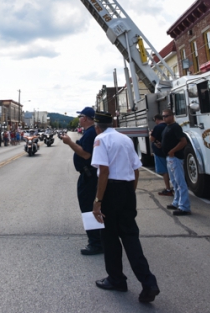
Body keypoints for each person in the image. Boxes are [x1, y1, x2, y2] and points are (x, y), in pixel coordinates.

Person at [90, 111, 160, 304]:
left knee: (110, 238)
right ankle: (148, 281)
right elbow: (135, 169)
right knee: (130, 238)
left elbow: (103, 171)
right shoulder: (125, 139)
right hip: (127, 190)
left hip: (110, 192)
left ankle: (117, 279)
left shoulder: (100, 139)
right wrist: (130, 192)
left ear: (97, 126)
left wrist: (98, 200)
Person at [60, 106, 103, 255]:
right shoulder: (90, 132)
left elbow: (86, 155)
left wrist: (70, 143)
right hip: (90, 175)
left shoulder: (91, 133)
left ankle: (96, 243)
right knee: (90, 208)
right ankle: (100, 239)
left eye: (80, 116)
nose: (79, 119)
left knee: (87, 209)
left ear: (85, 118)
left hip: (89, 176)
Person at [160, 109, 190, 215]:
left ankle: (184, 206)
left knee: (180, 182)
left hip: (175, 158)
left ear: (172, 116)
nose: (164, 118)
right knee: (175, 182)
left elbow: (183, 141)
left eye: (166, 116)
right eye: (163, 116)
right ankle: (176, 202)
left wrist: (173, 151)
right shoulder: (167, 127)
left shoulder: (176, 127)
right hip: (169, 157)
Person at [149, 114, 172, 196]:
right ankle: (174, 187)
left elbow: (152, 139)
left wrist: (150, 134)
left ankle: (168, 188)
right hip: (170, 152)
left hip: (159, 152)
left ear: (156, 119)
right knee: (171, 170)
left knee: (164, 171)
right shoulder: (169, 126)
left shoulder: (157, 127)